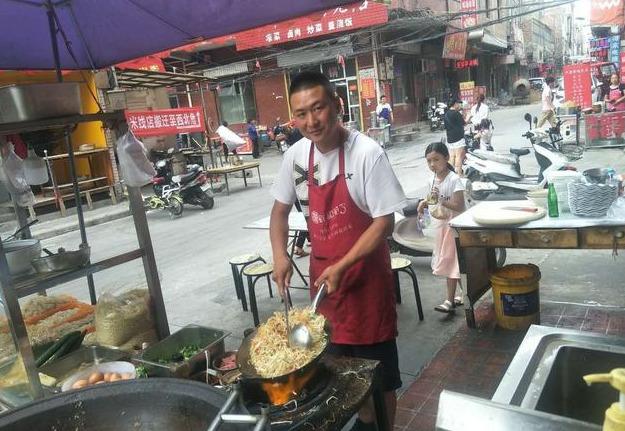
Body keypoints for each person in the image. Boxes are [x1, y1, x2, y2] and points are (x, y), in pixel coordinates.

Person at [270, 71, 406, 431]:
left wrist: (345, 265)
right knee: (341, 374)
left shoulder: (367, 154)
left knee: (381, 379)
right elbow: (279, 211)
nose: (311, 121)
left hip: (367, 288)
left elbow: (383, 222)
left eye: (319, 108)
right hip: (325, 292)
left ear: (337, 105)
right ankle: (364, 422)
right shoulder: (297, 157)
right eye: (301, 114)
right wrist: (280, 254)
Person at [417, 142, 465, 313]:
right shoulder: (431, 180)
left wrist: (441, 200)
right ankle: (464, 293)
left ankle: (449, 301)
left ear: (446, 158)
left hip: (455, 227)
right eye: (429, 161)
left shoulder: (454, 179)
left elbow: (459, 206)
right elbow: (431, 199)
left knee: (450, 262)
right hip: (441, 227)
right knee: (454, 263)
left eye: (436, 160)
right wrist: (423, 203)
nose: (432, 164)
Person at [443, 98, 466, 175]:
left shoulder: (446, 114)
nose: (459, 105)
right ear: (455, 104)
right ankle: (459, 174)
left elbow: (445, 127)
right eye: (458, 103)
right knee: (459, 156)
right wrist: (469, 116)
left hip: (450, 138)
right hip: (458, 138)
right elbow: (464, 123)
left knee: (452, 157)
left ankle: (450, 174)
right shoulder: (456, 113)